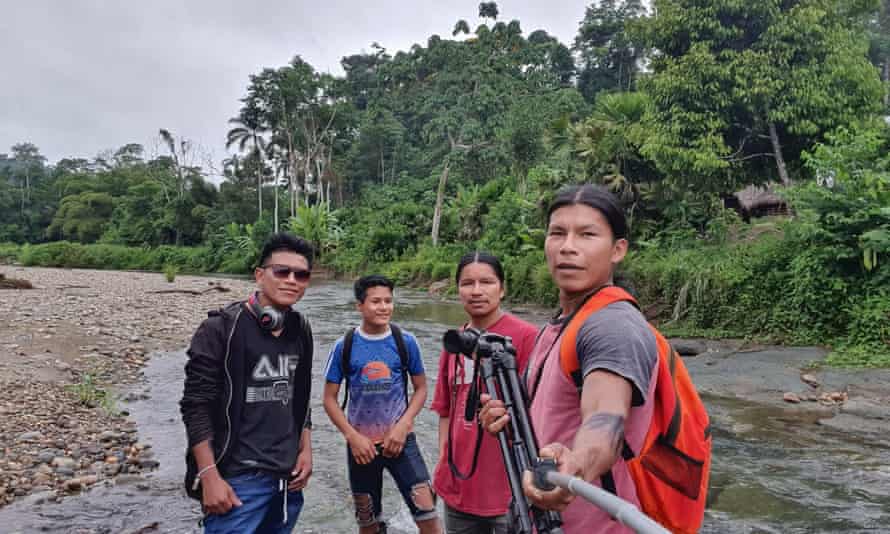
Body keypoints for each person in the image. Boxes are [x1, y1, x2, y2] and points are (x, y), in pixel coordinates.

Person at [480, 185, 659, 534]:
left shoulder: (612, 325)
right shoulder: (561, 324)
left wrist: (575, 464)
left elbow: (606, 418)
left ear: (618, 249)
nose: (568, 246)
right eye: (557, 233)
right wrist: (506, 419)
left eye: (587, 234)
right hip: (542, 520)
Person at [180, 232, 315, 534]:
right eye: (282, 271)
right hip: (238, 479)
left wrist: (306, 451)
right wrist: (209, 476)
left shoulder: (301, 328)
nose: (292, 280)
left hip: (288, 478)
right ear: (259, 275)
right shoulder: (219, 329)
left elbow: (301, 397)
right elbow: (195, 406)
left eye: (302, 274)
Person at [322, 275, 442, 534]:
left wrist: (403, 425)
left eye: (388, 301)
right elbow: (329, 398)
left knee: (428, 515)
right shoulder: (345, 345)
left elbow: (421, 388)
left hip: (402, 442)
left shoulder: (405, 341)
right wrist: (352, 437)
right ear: (360, 306)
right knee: (367, 522)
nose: (384, 307)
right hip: (361, 448)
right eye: (376, 301)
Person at [430, 252, 538, 534]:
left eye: (487, 282)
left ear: (502, 289)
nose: (476, 291)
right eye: (467, 283)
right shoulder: (454, 342)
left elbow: (540, 410)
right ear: (458, 290)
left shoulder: (526, 338)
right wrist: (445, 458)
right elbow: (445, 409)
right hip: (459, 488)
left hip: (510, 489)